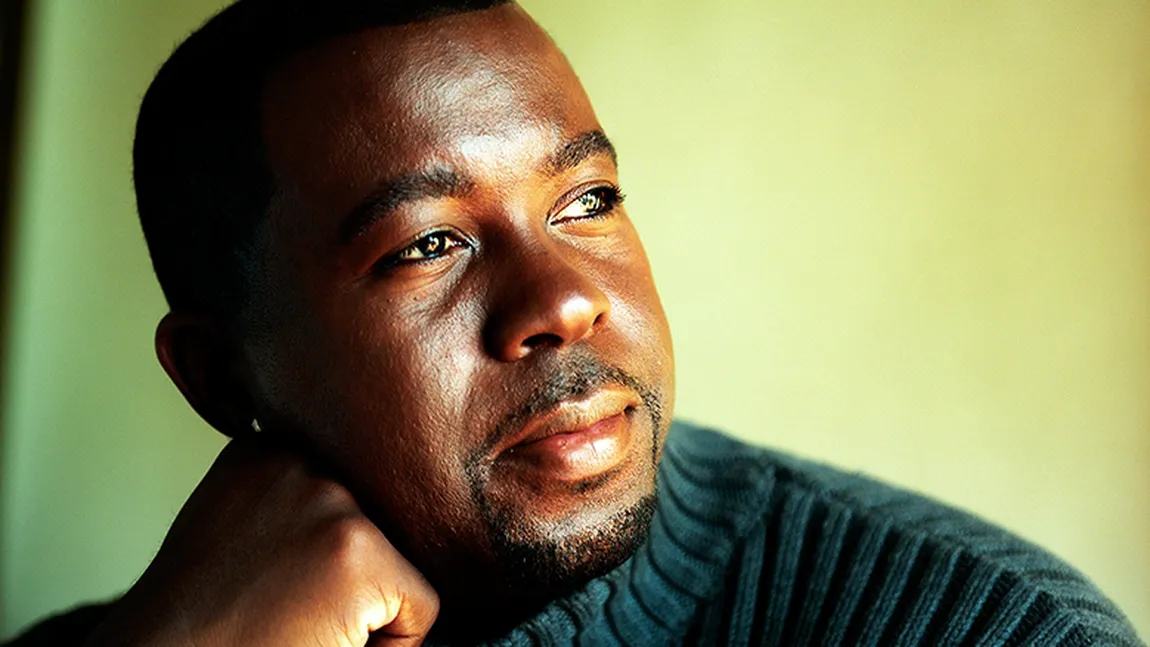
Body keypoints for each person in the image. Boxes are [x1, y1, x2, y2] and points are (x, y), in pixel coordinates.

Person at [5, 1, 1144, 645]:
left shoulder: (995, 631)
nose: (563, 299)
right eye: (428, 245)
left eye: (586, 202)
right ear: (220, 376)